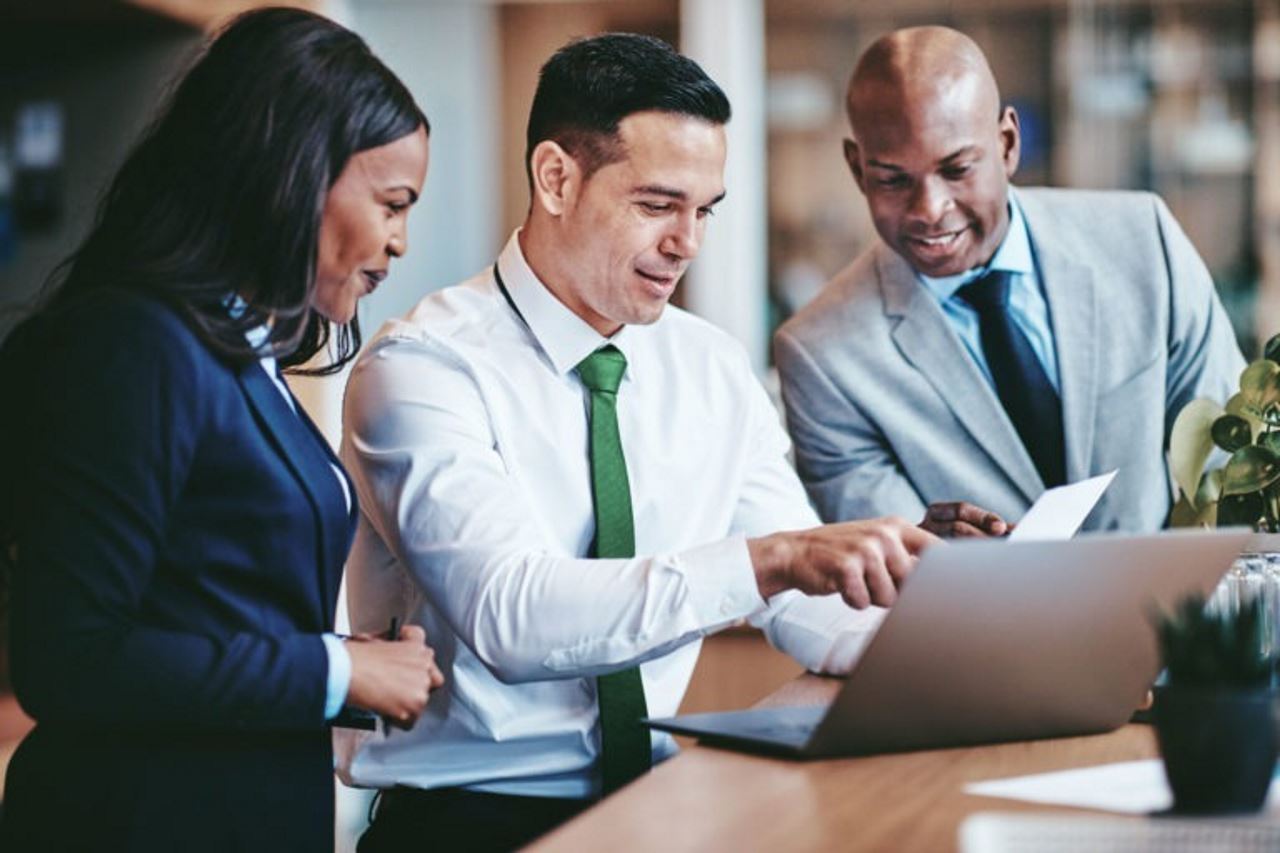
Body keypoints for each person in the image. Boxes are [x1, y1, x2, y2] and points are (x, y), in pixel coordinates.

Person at [337, 33, 935, 852]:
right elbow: (511, 615)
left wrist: (954, 625)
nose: (689, 242)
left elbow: (803, 601)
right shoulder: (422, 370)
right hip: (467, 822)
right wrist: (769, 558)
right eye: (658, 205)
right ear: (556, 177)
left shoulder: (711, 367)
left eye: (705, 210)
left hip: (661, 808)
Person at [0, 9, 443, 852]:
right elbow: (69, 657)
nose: (399, 242)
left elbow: (207, 601)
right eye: (391, 203)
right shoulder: (134, 341)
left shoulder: (239, 349)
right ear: (293, 175)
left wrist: (348, 663)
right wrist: (336, 669)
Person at [775, 26, 1245, 536]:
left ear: (1007, 144)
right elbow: (890, 564)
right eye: (893, 179)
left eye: (957, 169)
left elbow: (1229, 471)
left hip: (1181, 608)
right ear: (857, 169)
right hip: (979, 616)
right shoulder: (822, 356)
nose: (930, 210)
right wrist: (932, 555)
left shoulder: (1142, 243)